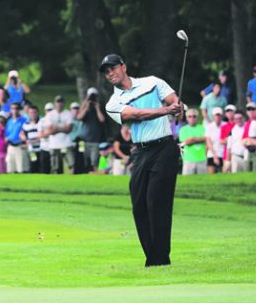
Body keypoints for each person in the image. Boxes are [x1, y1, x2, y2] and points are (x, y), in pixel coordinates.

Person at [101, 54, 183, 267]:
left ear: (124, 67)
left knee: (157, 202)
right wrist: (166, 110)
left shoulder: (152, 82)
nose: (110, 73)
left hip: (165, 147)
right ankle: (153, 256)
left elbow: (173, 99)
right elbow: (136, 115)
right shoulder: (113, 103)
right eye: (106, 71)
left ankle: (159, 259)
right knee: (139, 204)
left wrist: (177, 106)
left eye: (113, 68)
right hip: (142, 152)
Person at [77, 87, 106, 173]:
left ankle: (95, 173)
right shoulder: (85, 107)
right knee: (85, 160)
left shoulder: (100, 107)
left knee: (94, 161)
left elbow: (102, 120)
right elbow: (79, 117)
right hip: (85, 140)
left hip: (95, 140)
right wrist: (86, 106)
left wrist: (97, 108)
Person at [44, 95, 74, 174]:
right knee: (55, 166)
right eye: (58, 102)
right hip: (54, 144)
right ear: (55, 104)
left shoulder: (68, 114)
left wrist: (56, 128)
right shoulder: (50, 115)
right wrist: (63, 127)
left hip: (66, 143)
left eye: (61, 102)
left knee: (71, 163)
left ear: (64, 103)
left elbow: (69, 129)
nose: (59, 104)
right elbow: (49, 130)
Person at [178, 109, 208, 175]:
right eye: (189, 116)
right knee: (187, 182)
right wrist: (199, 139)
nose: (192, 118)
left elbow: (206, 139)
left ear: (197, 117)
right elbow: (185, 142)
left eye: (194, 116)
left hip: (201, 158)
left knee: (203, 181)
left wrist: (193, 139)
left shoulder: (203, 128)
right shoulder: (183, 130)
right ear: (186, 118)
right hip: (188, 159)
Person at [5, 102, 29, 173]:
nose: (14, 110)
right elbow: (7, 134)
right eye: (13, 108)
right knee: (10, 168)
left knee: (21, 169)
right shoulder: (9, 121)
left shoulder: (24, 120)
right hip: (10, 146)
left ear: (19, 110)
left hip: (20, 146)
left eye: (16, 108)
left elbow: (26, 133)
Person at [20, 105, 42, 173]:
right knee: (32, 168)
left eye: (34, 112)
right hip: (32, 150)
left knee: (41, 169)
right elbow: (22, 134)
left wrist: (32, 141)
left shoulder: (41, 122)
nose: (33, 114)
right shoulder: (26, 124)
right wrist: (25, 139)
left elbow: (41, 137)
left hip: (41, 149)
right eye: (31, 112)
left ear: (37, 113)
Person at [242, 102, 256, 171]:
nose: (251, 111)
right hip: (248, 151)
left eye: (253, 109)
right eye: (248, 109)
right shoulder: (247, 123)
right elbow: (244, 139)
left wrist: (250, 141)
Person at [205, 107, 225, 174]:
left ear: (222, 116)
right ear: (213, 116)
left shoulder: (225, 125)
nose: (217, 117)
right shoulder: (209, 126)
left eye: (219, 115)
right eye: (216, 115)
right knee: (211, 176)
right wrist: (215, 156)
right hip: (212, 154)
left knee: (223, 176)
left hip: (223, 154)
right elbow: (208, 142)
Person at [68, 102, 86, 174]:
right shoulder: (68, 120)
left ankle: (79, 171)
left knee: (80, 157)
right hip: (70, 142)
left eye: (77, 108)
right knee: (71, 160)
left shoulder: (82, 120)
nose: (75, 110)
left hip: (80, 142)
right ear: (71, 110)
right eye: (74, 109)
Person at [219, 104, 237, 172]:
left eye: (231, 111)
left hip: (236, 152)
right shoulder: (224, 126)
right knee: (226, 172)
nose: (229, 113)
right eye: (227, 111)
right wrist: (232, 140)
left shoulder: (238, 125)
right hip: (226, 153)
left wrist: (228, 140)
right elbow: (222, 141)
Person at [37, 103, 54, 174]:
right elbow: (41, 134)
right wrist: (51, 132)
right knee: (44, 169)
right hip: (44, 148)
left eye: (51, 110)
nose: (49, 112)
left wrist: (46, 133)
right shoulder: (41, 121)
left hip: (54, 147)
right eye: (48, 110)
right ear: (45, 111)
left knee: (55, 168)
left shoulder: (56, 120)